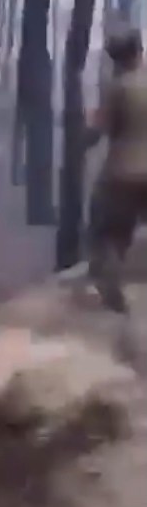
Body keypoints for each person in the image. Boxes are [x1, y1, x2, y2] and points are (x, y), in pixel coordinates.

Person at [86, 27, 147, 315]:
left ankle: (113, 301)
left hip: (122, 174)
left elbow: (98, 130)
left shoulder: (118, 87)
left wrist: (84, 128)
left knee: (109, 235)